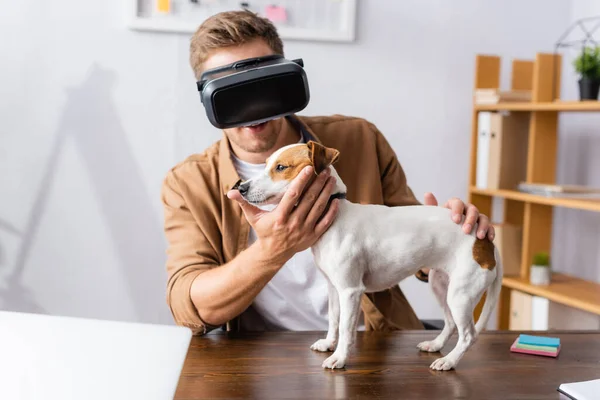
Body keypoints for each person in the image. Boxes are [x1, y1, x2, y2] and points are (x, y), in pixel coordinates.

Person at [160, 10, 495, 336]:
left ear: (284, 80)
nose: (252, 109)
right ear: (207, 99)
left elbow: (410, 244)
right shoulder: (187, 184)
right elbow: (189, 306)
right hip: (264, 358)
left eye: (260, 85)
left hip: (375, 343)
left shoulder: (360, 139)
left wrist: (449, 232)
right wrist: (273, 249)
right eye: (232, 92)